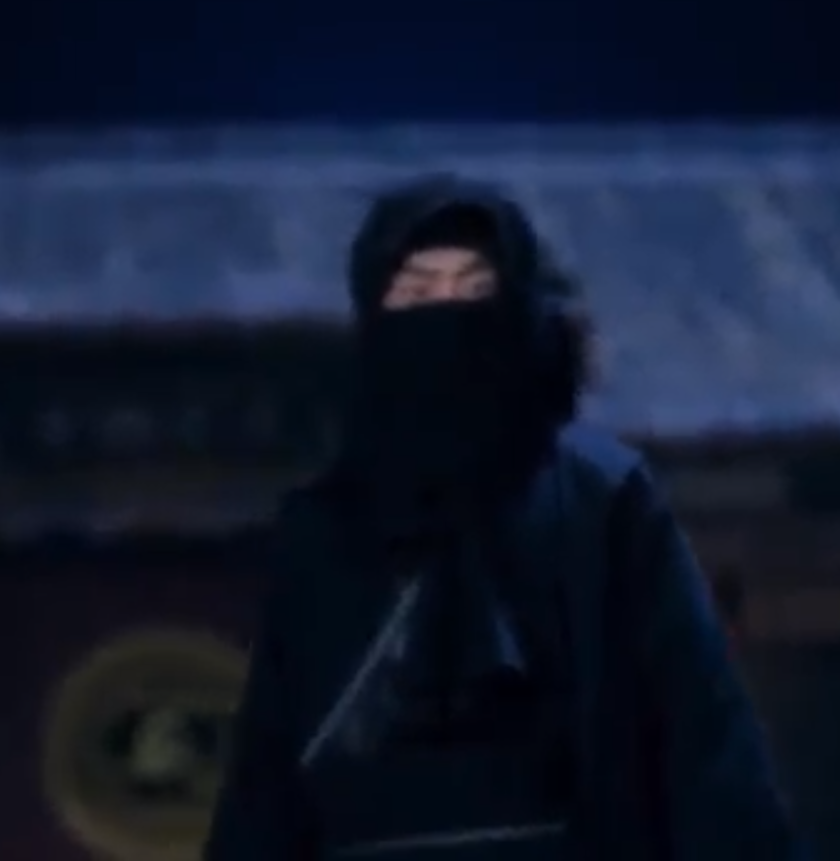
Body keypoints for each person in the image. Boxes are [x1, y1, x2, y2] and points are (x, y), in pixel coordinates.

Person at [205, 175, 799, 861]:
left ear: (518, 310)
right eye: (417, 292)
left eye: (474, 289)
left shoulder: (599, 499)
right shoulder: (323, 529)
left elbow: (704, 737)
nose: (446, 313)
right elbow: (268, 781)